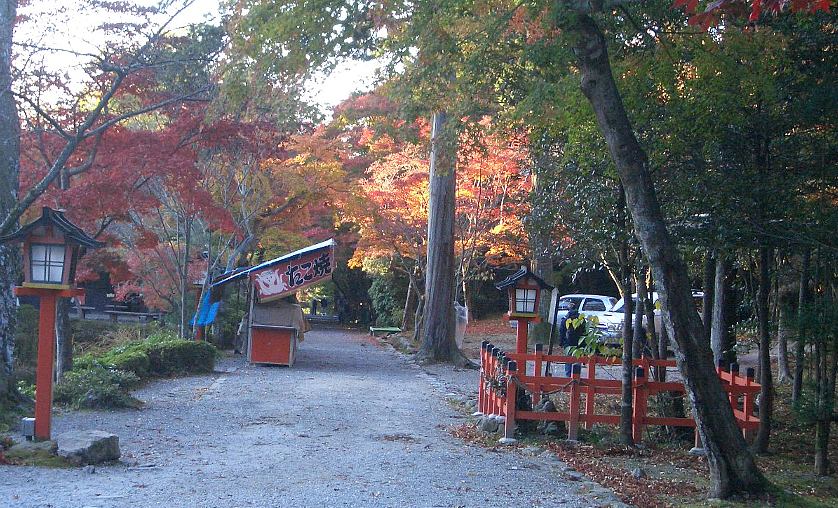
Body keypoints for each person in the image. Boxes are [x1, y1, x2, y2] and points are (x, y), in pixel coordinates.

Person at [559, 301, 585, 377]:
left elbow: (562, 331)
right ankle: (576, 377)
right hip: (578, 343)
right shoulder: (581, 319)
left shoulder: (566, 318)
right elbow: (584, 332)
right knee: (577, 360)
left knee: (568, 360)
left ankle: (568, 377)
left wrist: (561, 342)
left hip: (568, 343)